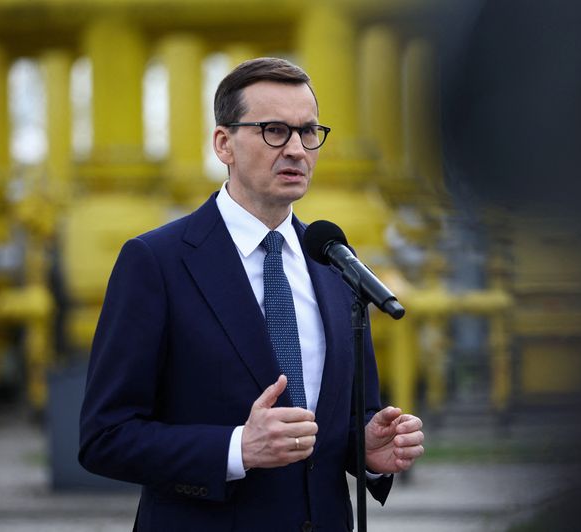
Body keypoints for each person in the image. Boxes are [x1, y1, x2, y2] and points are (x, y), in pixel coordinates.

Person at [79, 57, 425, 531]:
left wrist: (365, 447)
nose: (297, 150)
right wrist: (235, 449)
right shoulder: (156, 262)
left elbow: (343, 419)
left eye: (308, 132)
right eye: (274, 131)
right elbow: (105, 436)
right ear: (224, 144)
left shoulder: (334, 262)